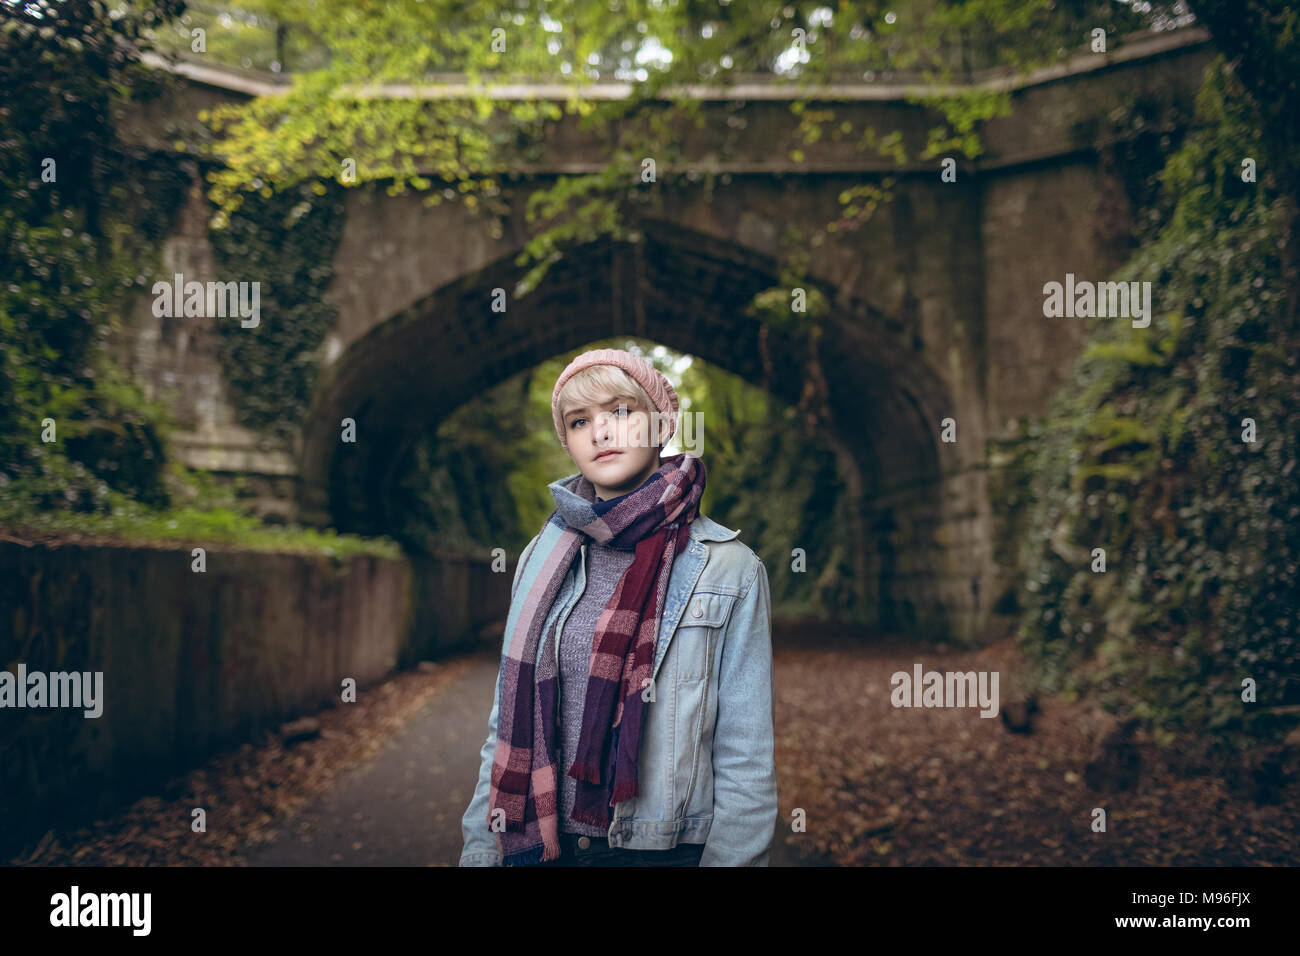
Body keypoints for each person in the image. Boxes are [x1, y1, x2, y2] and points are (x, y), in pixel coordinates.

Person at [458, 347, 777, 867]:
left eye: (621, 411)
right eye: (579, 421)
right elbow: (503, 727)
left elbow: (746, 754)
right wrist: (478, 851)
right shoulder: (539, 561)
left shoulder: (729, 569)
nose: (600, 432)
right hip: (540, 846)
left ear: (660, 423)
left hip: (659, 852)